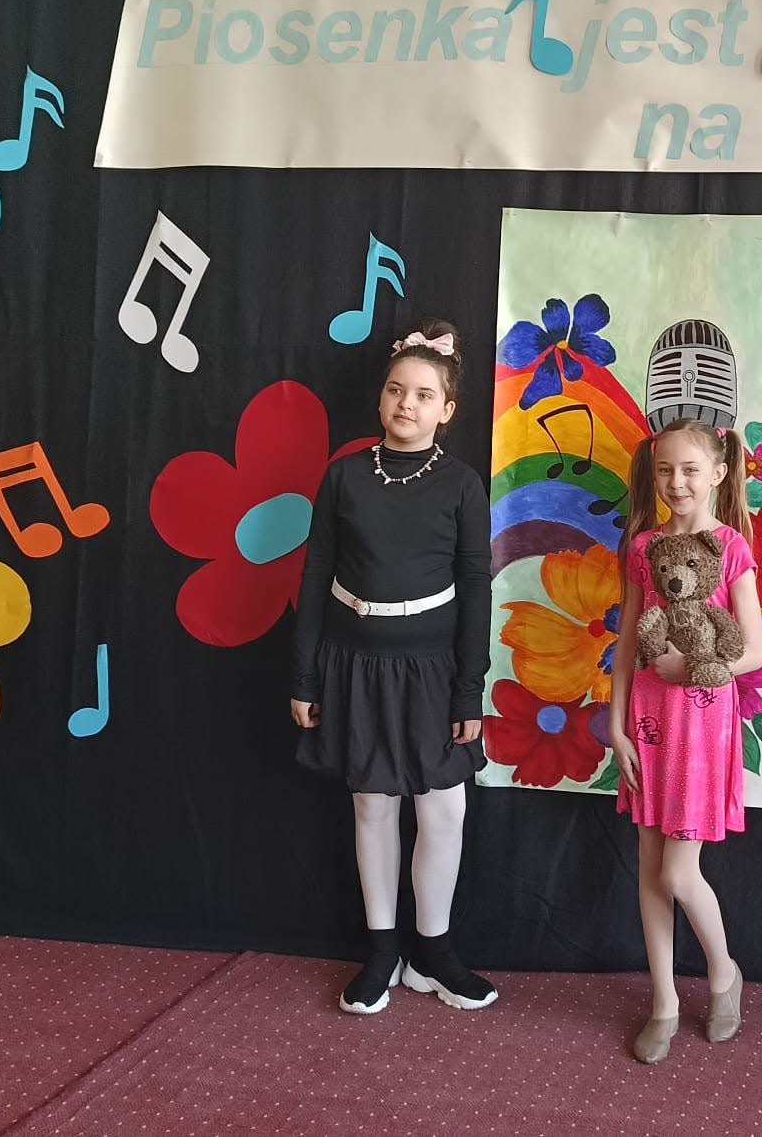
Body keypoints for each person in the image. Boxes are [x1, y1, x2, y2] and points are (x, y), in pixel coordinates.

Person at [290, 321, 497, 1013]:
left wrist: (469, 690)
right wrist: (304, 676)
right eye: (396, 390)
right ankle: (383, 951)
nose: (407, 403)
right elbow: (314, 575)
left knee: (444, 809)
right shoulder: (344, 475)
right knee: (372, 805)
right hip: (354, 664)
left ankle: (432, 953)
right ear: (381, 398)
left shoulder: (462, 485)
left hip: (434, 670)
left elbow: (476, 588)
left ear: (448, 410)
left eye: (424, 394)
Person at [608, 417, 762, 1063]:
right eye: (665, 470)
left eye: (690, 470)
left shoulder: (732, 548)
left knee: (678, 871)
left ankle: (724, 973)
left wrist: (693, 668)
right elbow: (627, 641)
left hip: (702, 724)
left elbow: (753, 651)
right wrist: (615, 724)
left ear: (719, 474)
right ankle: (664, 1002)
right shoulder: (644, 547)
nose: (676, 482)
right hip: (647, 723)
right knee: (650, 868)